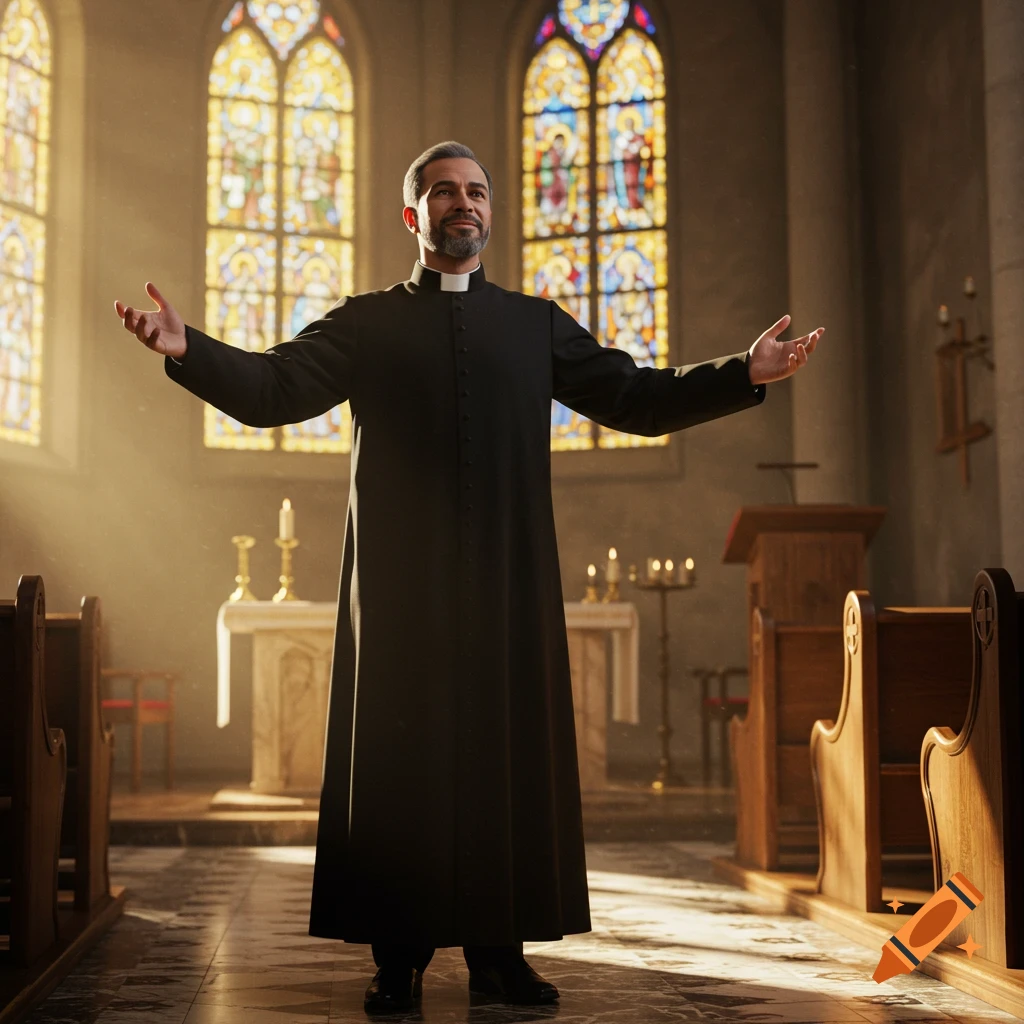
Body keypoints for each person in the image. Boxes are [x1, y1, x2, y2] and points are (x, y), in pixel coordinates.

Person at [114, 141, 823, 1015]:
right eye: (445, 191)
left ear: (491, 211)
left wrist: (743, 374)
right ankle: (398, 959)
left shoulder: (535, 324)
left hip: (505, 583)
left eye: (477, 192)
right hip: (399, 589)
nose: (465, 203)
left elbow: (635, 398)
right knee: (399, 765)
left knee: (502, 762)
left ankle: (500, 956)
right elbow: (273, 389)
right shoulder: (366, 322)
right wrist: (188, 349)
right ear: (412, 216)